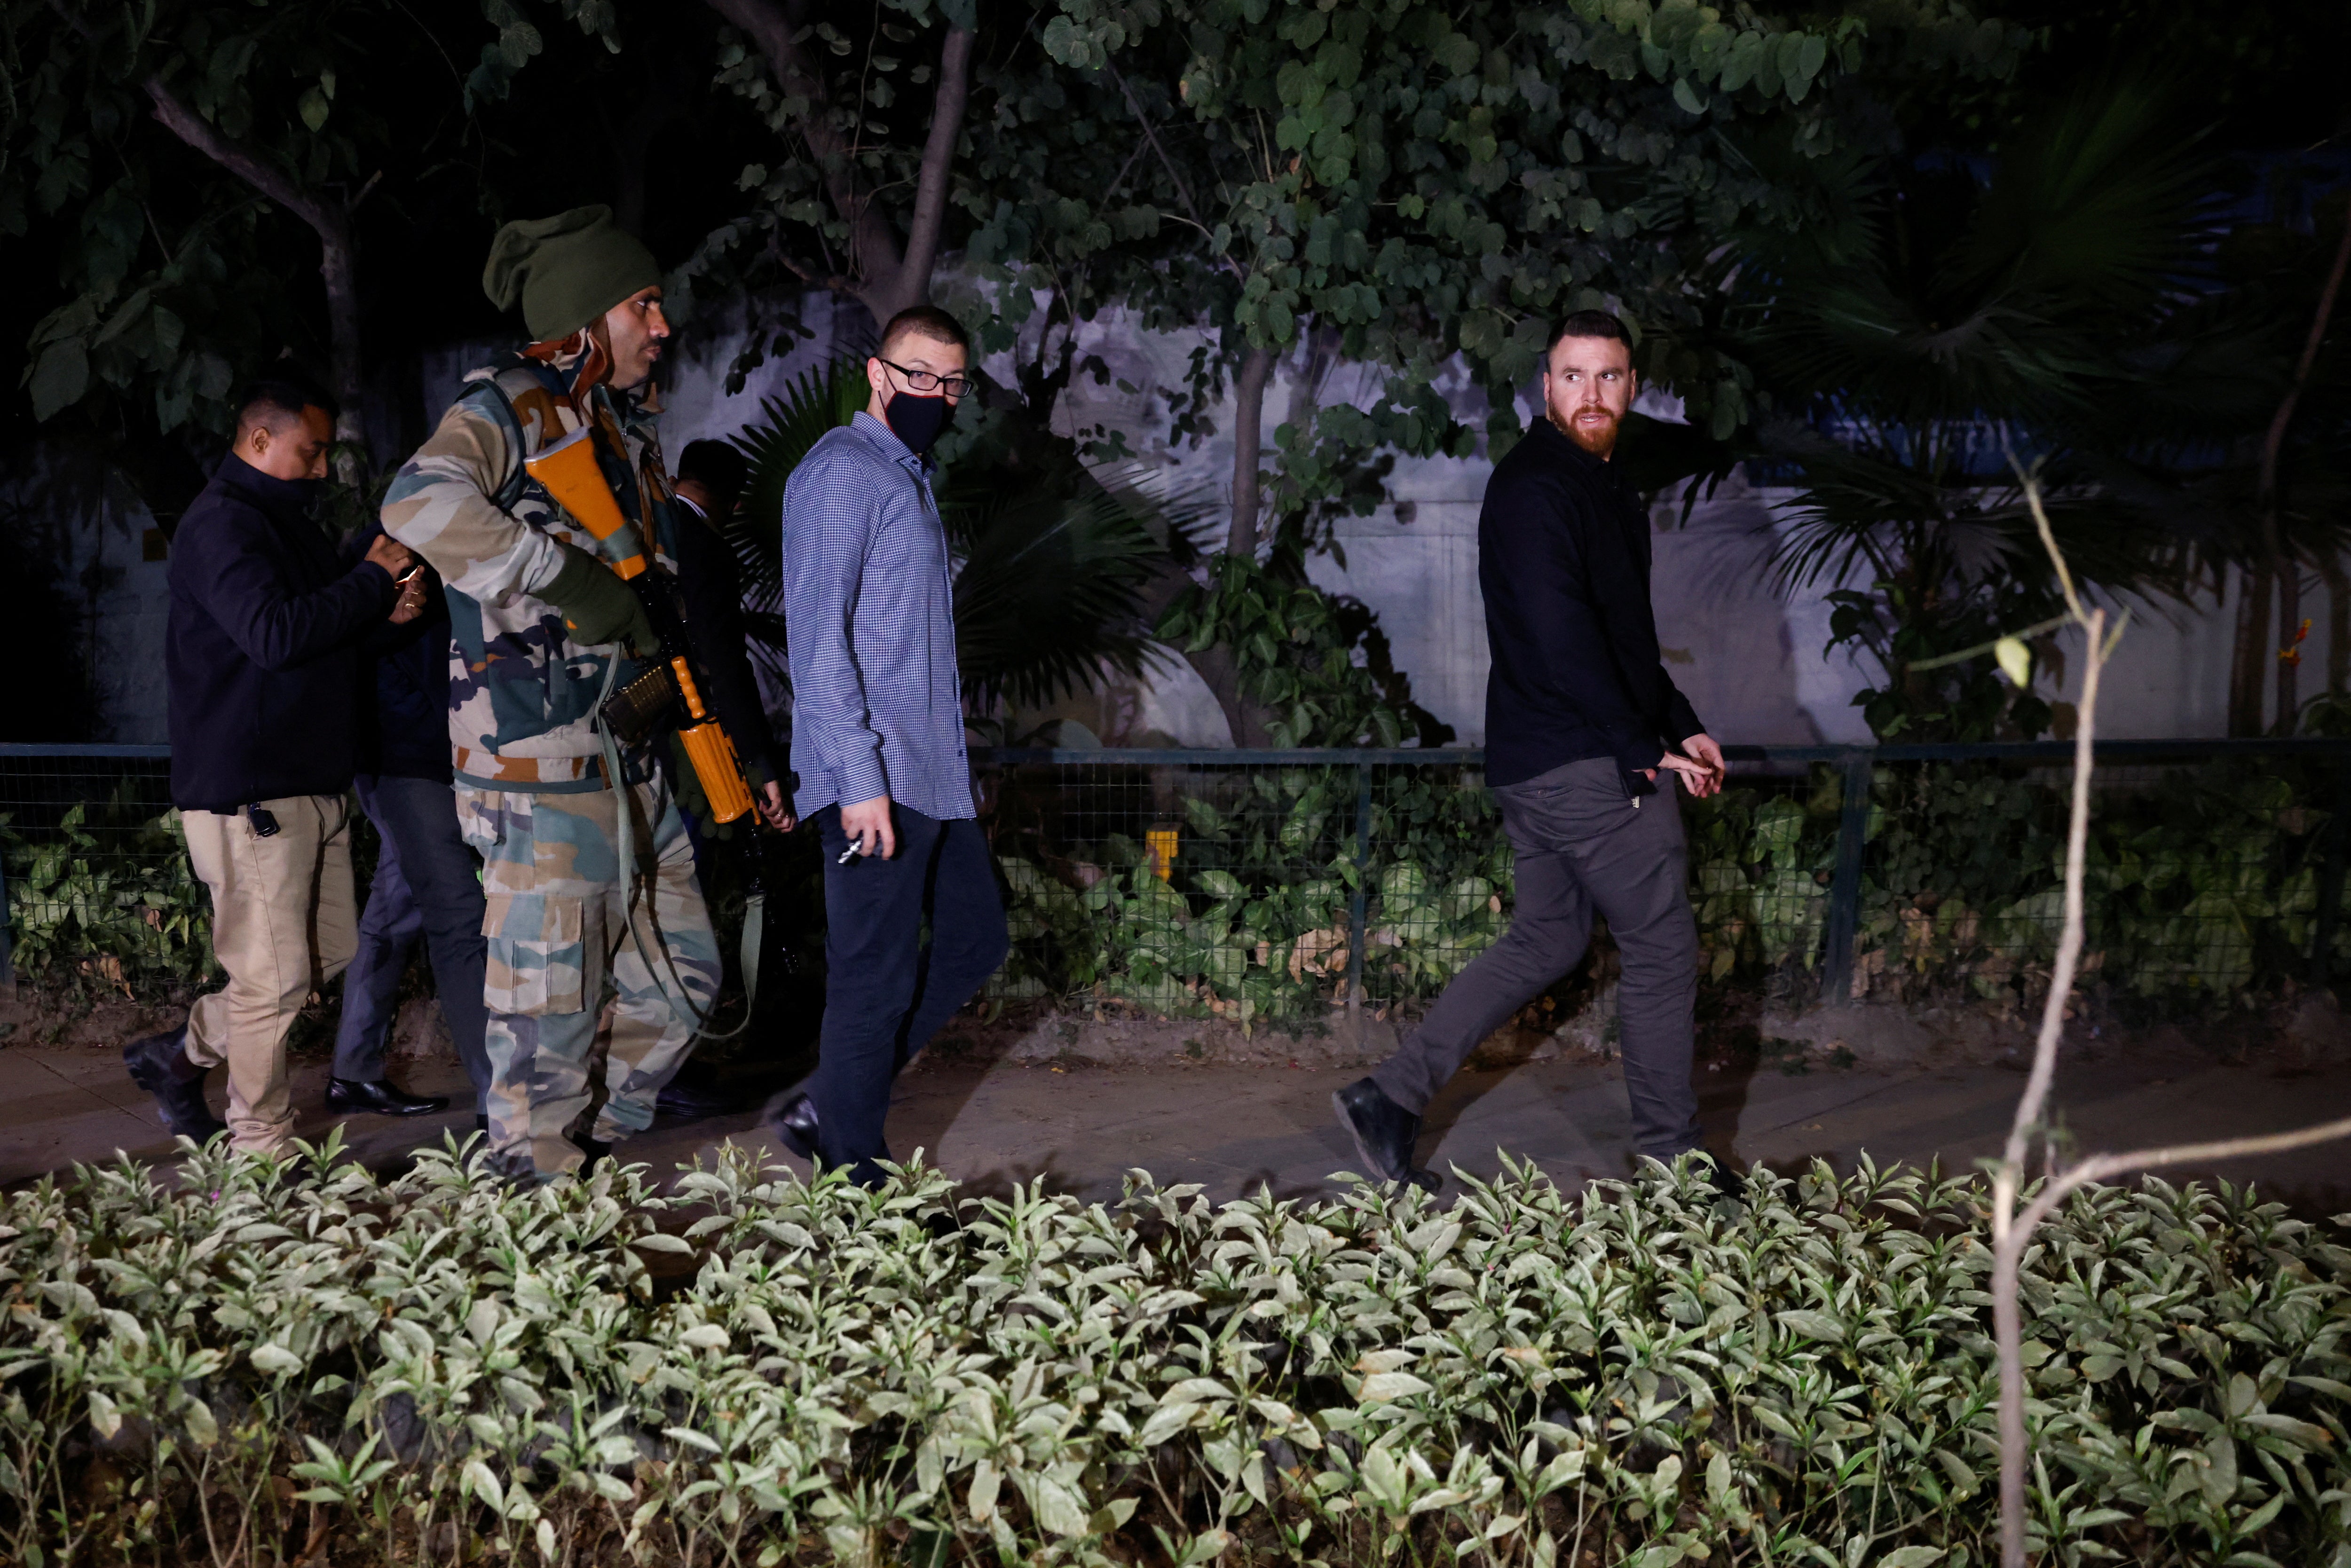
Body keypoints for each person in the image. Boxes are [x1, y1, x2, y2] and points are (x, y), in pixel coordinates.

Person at [1332, 310, 1728, 1192]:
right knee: (1662, 947)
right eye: (1574, 376)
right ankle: (1674, 1161)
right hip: (1585, 761)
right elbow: (1560, 637)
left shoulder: (1601, 485)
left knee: (1550, 936)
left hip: (1542, 759)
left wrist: (1679, 721)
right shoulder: (1539, 488)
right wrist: (1640, 750)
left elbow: (1623, 636)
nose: (1593, 394)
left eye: (1611, 377)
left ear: (1632, 386)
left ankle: (1389, 1099)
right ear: (1544, 387)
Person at [379, 204, 731, 1180]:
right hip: (539, 769)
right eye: (643, 305)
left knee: (685, 979)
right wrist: (562, 576)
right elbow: (416, 500)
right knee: (551, 1013)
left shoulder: (621, 428)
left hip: (631, 753)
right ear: (583, 318)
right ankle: (533, 1190)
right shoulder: (507, 407)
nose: (662, 327)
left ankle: (577, 1147)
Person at [126, 377, 449, 1153]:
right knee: (271, 983)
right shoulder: (219, 527)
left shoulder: (289, 528)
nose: (320, 469)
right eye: (310, 452)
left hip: (311, 785)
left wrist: (386, 617)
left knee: (322, 957)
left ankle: (176, 1055)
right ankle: (259, 1148)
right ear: (259, 439)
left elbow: (316, 650)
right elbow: (272, 635)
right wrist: (371, 580)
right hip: (251, 794)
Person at [764, 305, 1010, 1186]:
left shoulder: (905, 476)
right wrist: (860, 779)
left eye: (951, 383)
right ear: (877, 374)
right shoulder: (842, 472)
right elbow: (820, 641)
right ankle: (855, 1182)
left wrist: (954, 772)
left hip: (928, 773)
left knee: (978, 938)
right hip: (875, 777)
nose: (936, 395)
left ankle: (827, 1104)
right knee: (873, 983)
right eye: (919, 376)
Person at [331, 526, 495, 1127]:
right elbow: (348, 645)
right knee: (457, 916)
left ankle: (354, 1068)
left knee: (394, 913)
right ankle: (499, 1096)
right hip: (407, 763)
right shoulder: (382, 555)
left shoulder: (450, 552)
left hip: (431, 759)